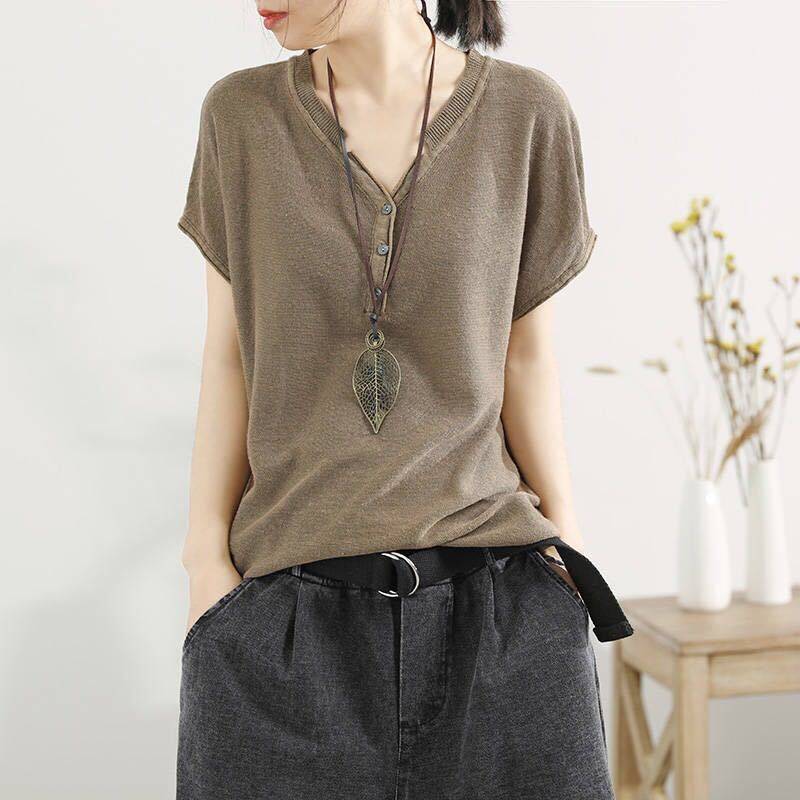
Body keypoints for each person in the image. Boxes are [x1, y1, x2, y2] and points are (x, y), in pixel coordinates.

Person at [176, 1, 633, 797]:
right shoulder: (241, 117)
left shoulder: (525, 113)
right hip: (283, 622)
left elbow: (526, 358)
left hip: (500, 611)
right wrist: (204, 563)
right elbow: (228, 359)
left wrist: (565, 542)